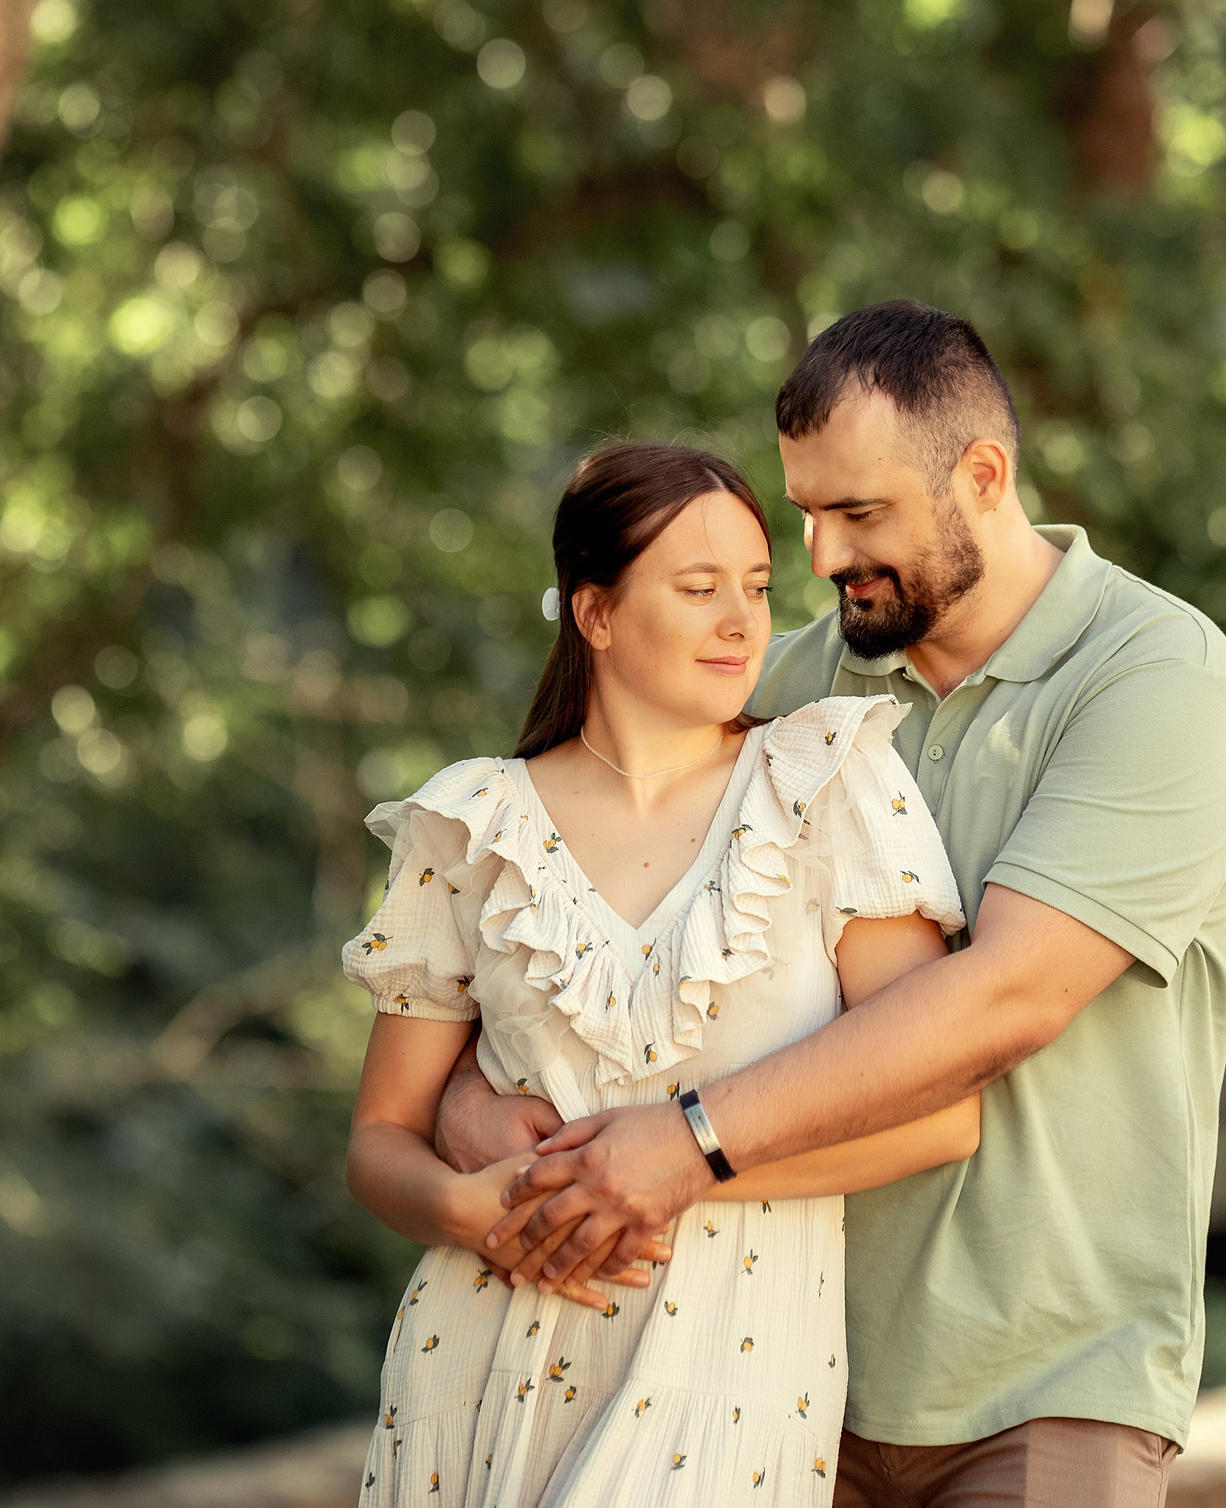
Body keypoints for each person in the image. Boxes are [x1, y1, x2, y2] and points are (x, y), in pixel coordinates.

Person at [442, 302, 1226, 1507]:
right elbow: (583, 940)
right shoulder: (781, 688)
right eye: (807, 512)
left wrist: (687, 1139)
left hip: (1043, 1389)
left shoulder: (1152, 679)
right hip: (766, 1371)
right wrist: (472, 1103)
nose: (820, 555)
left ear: (983, 474)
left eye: (860, 512)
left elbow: (1007, 995)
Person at [341, 440, 980, 1506]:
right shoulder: (471, 823)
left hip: (731, 1382)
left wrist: (682, 1169)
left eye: (756, 586)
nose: (742, 620)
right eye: (698, 589)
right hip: (479, 1364)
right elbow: (378, 1141)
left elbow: (939, 1115)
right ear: (593, 611)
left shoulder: (825, 784)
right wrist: (471, 1211)